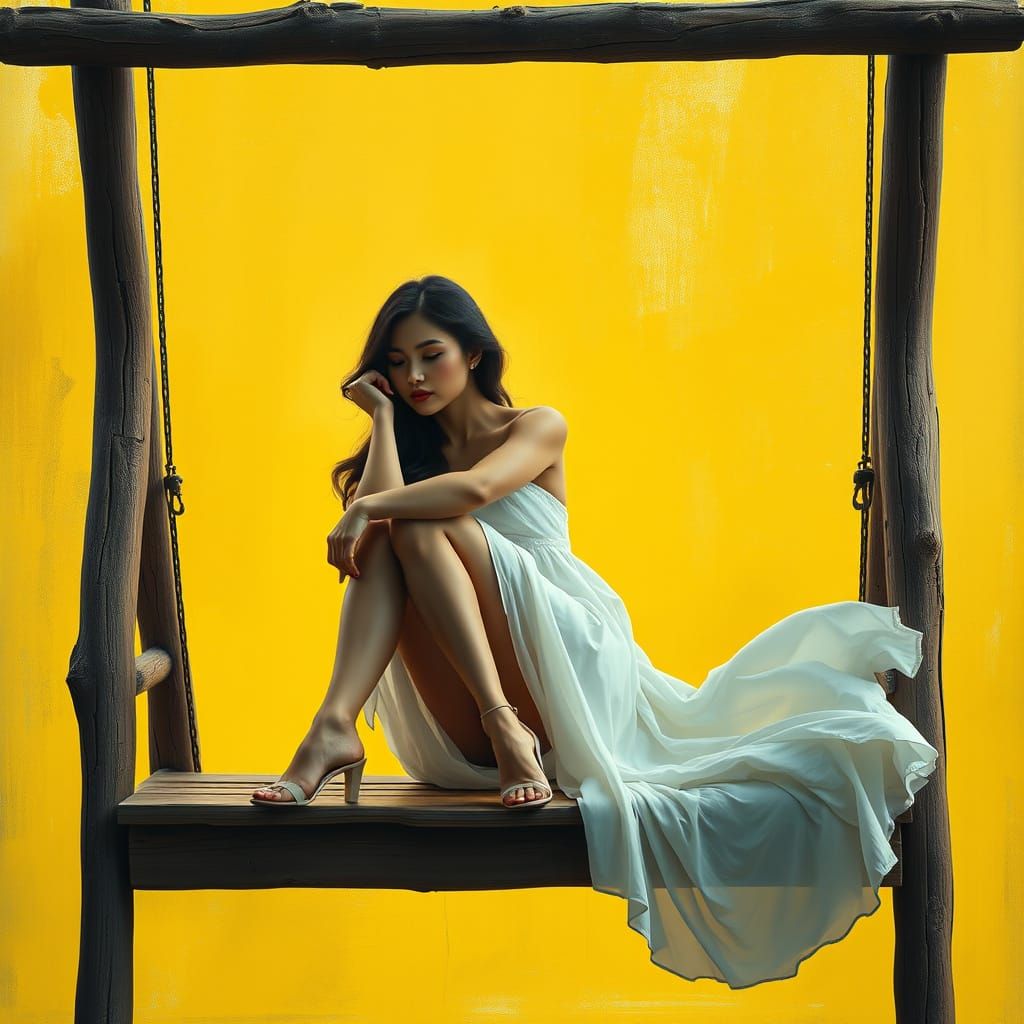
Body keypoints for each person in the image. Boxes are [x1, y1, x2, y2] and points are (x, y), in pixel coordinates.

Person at [250, 274, 939, 987]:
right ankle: (353, 723)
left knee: (422, 525)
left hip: (571, 671)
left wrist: (366, 510)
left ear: (476, 353)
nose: (414, 375)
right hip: (465, 738)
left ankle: (381, 727)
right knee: (402, 533)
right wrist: (386, 424)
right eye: (396, 363)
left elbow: (475, 493)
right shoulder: (409, 461)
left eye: (431, 354)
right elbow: (384, 518)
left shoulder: (537, 426)